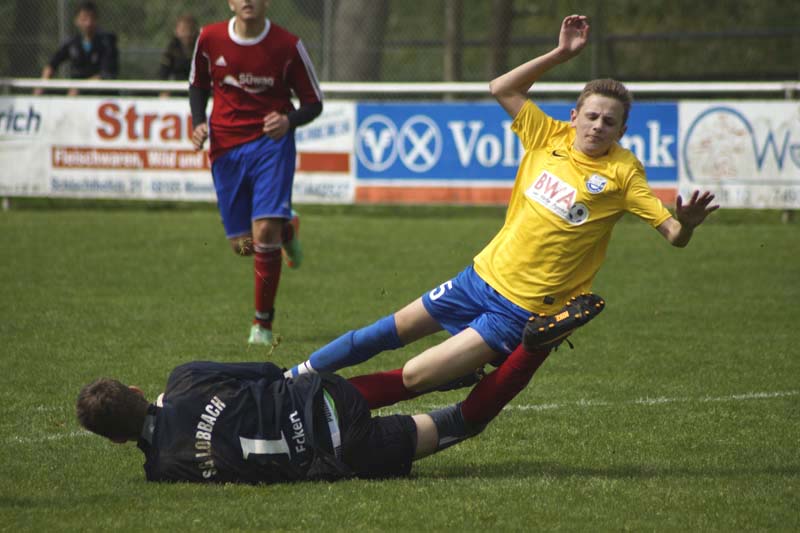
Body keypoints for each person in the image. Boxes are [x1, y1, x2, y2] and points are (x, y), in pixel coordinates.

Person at [283, 15, 719, 418]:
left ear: (621, 131)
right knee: (379, 334)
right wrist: (562, 55)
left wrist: (689, 224)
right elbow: (501, 87)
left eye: (610, 121)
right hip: (478, 277)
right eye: (591, 115)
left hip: (518, 311)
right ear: (574, 116)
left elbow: (673, 233)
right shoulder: (549, 134)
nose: (598, 125)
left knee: (416, 375)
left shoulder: (624, 173)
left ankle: (318, 412)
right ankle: (293, 380)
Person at [74, 304, 587, 483]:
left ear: (119, 442)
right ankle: (452, 368)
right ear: (139, 389)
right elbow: (266, 371)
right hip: (323, 399)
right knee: (390, 384)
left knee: (461, 423)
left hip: (340, 453)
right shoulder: (186, 378)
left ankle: (534, 345)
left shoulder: (162, 470)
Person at [189, 0, 323, 346]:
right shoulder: (209, 38)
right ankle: (288, 229)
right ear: (231, 2)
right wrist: (199, 123)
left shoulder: (288, 45)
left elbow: (314, 102)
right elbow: (198, 86)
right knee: (242, 245)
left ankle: (261, 324)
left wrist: (287, 121)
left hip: (271, 145)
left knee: (263, 231)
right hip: (226, 149)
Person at [35, 1, 118, 96]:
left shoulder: (107, 42)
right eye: (84, 19)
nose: (88, 23)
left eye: (92, 18)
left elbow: (106, 74)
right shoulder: (72, 43)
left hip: (99, 94)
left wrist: (81, 88)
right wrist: (42, 84)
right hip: (75, 91)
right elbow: (52, 65)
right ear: (76, 20)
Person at [158, 13, 199, 96]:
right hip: (176, 89)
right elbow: (163, 73)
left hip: (196, 88)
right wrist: (164, 91)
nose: (187, 34)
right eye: (183, 30)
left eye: (190, 30)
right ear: (176, 31)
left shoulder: (200, 47)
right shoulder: (171, 49)